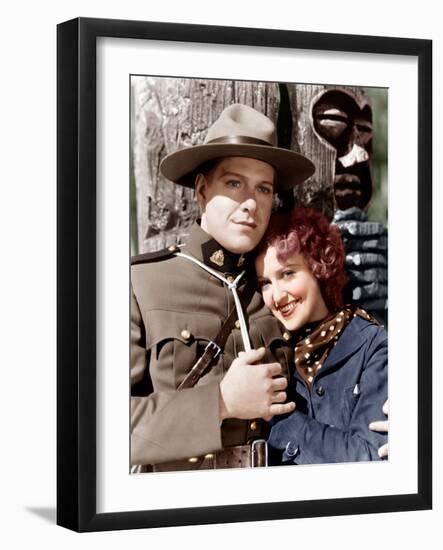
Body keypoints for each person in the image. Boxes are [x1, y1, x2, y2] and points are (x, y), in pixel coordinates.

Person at [130, 103, 316, 471]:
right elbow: (94, 428)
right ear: (201, 190)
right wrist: (220, 402)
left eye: (264, 189)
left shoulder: (281, 290)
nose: (250, 203)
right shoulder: (141, 283)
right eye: (234, 183)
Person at [254, 207, 388, 464]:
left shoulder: (373, 345)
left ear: (319, 267)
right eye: (265, 283)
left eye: (288, 274)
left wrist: (278, 420)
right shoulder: (271, 352)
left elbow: (368, 458)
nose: (277, 295)